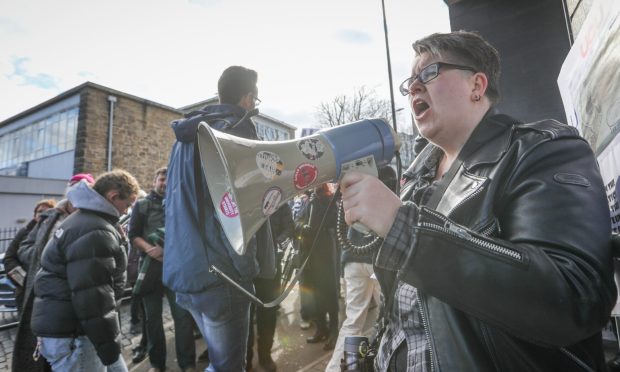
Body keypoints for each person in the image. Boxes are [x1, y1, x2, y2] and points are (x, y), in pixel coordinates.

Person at [340, 31, 616, 371]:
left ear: (477, 86)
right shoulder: (416, 182)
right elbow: (405, 312)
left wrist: (406, 229)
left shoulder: (541, 152)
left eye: (428, 73)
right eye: (409, 82)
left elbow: (574, 299)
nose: (413, 87)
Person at [164, 65, 275, 372]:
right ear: (248, 98)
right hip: (223, 277)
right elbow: (239, 209)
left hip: (185, 271)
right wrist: (247, 268)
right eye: (256, 98)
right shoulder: (235, 130)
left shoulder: (184, 138)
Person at [31, 169, 140, 372]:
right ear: (113, 196)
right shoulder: (95, 230)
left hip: (68, 330)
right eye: (127, 204)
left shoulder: (83, 219)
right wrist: (108, 348)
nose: (127, 211)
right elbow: (93, 299)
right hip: (76, 334)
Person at [325, 166, 397, 372]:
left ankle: (337, 369)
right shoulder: (388, 173)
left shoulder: (356, 173)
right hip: (377, 260)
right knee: (386, 318)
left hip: (353, 260)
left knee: (354, 320)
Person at [128, 167, 196, 372]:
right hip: (150, 271)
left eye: (169, 179)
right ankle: (157, 363)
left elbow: (189, 235)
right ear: (154, 181)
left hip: (177, 270)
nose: (164, 183)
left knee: (183, 317)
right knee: (153, 320)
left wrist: (169, 252)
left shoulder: (181, 205)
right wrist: (150, 249)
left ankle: (188, 364)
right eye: (161, 179)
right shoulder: (141, 205)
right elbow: (133, 235)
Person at [12, 197, 75, 372]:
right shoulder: (47, 220)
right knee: (36, 345)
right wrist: (43, 254)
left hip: (64, 297)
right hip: (38, 291)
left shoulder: (84, 222)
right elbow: (19, 250)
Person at [246, 203, 295, 372]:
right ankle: (246, 359)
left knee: (267, 314)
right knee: (245, 316)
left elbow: (290, 228)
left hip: (270, 267)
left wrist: (275, 243)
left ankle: (265, 356)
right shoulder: (245, 199)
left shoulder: (279, 201)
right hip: (246, 268)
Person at [298, 183, 339, 351]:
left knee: (329, 294)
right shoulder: (311, 202)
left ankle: (334, 332)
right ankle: (321, 328)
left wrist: (304, 228)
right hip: (310, 257)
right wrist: (301, 228)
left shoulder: (329, 202)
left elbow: (317, 227)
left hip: (325, 257)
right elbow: (299, 221)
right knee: (315, 294)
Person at [3, 198, 56, 314]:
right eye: (40, 211)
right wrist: (24, 279)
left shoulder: (57, 233)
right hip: (25, 292)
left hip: (49, 291)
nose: (43, 214)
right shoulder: (24, 232)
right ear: (34, 215)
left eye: (48, 211)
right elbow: (9, 258)